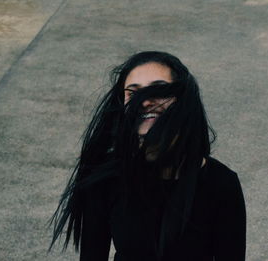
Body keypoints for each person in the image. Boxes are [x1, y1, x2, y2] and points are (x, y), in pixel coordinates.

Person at [49, 51, 246, 261]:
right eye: (133, 93)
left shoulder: (221, 183)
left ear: (182, 99)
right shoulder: (106, 178)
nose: (144, 101)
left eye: (159, 89)